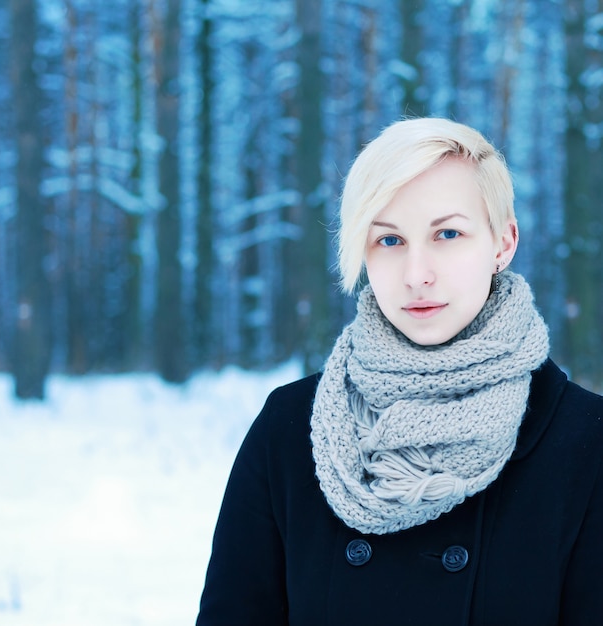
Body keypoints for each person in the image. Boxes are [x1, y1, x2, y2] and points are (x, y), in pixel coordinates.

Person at [196, 118, 603, 625]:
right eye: (389, 241)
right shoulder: (289, 426)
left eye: (448, 234)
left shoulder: (586, 442)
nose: (417, 275)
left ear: (503, 244)